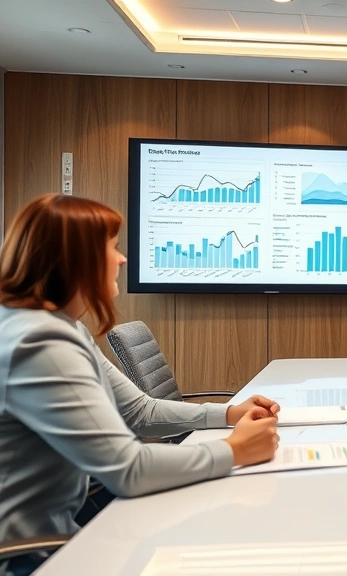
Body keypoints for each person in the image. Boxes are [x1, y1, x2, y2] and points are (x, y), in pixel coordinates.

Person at [0, 194, 281, 572]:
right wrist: (235, 450)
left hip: (68, 526)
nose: (121, 259)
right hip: (31, 556)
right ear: (76, 259)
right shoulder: (40, 342)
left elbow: (138, 411)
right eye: (112, 247)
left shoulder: (62, 328)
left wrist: (228, 413)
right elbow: (129, 471)